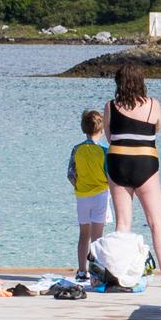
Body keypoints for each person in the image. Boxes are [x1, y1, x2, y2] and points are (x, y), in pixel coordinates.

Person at [103, 63, 161, 285]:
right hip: (145, 163)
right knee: (156, 222)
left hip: (118, 161)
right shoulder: (153, 105)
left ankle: (120, 274)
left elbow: (109, 136)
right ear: (142, 82)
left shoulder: (111, 106)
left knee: (123, 223)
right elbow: (157, 128)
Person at [69, 107, 113, 283]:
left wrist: (79, 186)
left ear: (83, 128)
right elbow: (109, 175)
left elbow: (71, 174)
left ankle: (81, 271)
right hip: (101, 194)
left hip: (82, 195)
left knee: (83, 235)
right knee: (98, 237)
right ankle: (96, 270)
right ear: (101, 129)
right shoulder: (104, 150)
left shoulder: (76, 149)